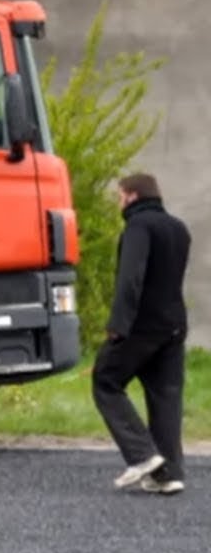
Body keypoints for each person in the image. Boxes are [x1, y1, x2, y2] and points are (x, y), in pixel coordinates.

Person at [92, 172, 191, 494]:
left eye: (120, 196)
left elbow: (130, 278)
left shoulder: (139, 227)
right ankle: (169, 474)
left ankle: (141, 455)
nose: (119, 202)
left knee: (105, 379)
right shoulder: (179, 228)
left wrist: (118, 325)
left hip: (142, 324)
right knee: (166, 396)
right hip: (174, 325)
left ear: (132, 195)